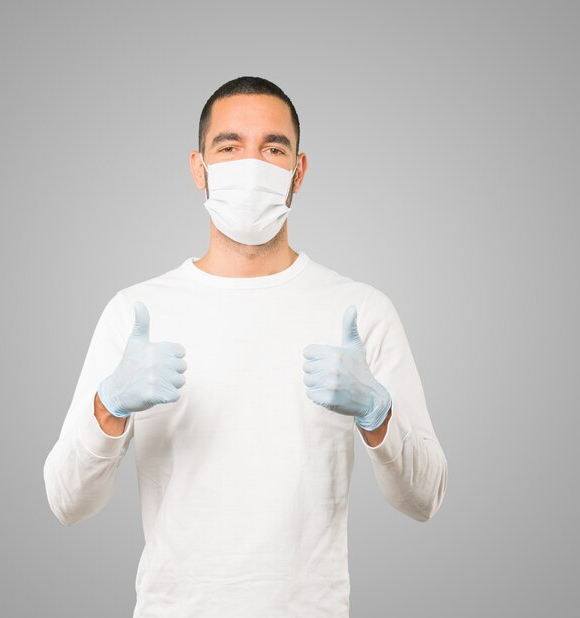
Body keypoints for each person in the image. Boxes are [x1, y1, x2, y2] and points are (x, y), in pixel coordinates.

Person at [43, 76, 448, 617]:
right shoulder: (137, 312)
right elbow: (68, 503)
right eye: (229, 147)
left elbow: (423, 500)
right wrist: (108, 408)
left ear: (298, 172)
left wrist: (378, 416)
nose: (250, 165)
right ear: (198, 167)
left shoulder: (359, 311)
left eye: (273, 148)